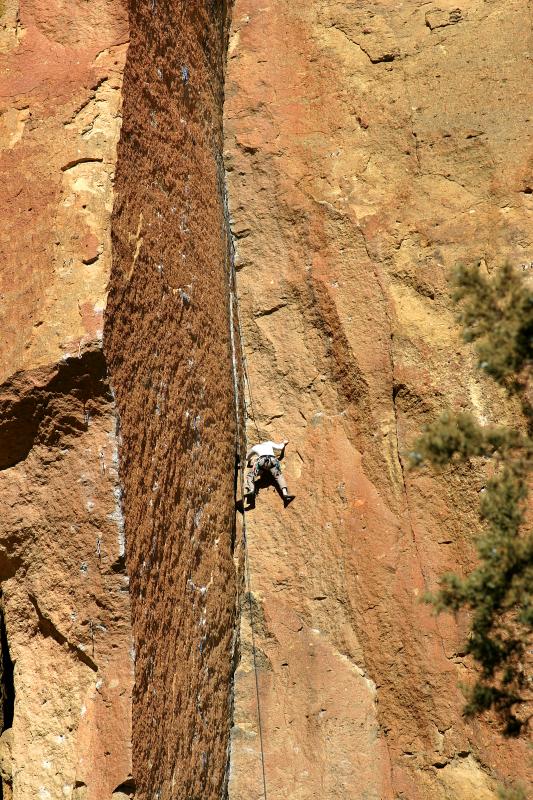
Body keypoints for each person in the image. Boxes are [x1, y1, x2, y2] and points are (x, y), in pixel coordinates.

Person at [244, 438, 295, 508]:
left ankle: (252, 489)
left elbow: (247, 457)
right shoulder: (269, 443)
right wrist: (284, 443)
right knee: (279, 476)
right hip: (272, 461)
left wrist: (250, 461)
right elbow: (280, 447)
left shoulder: (255, 447)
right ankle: (285, 493)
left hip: (262, 463)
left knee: (250, 475)